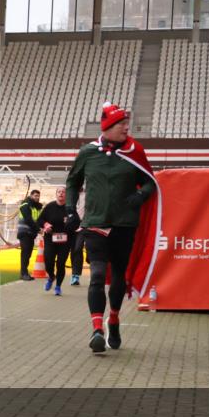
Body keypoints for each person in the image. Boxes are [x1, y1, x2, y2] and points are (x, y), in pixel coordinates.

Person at [66, 102, 160, 353]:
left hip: (124, 225)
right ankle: (97, 329)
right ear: (107, 127)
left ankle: (114, 318)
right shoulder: (87, 152)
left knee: (118, 277)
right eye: (121, 124)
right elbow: (72, 182)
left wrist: (140, 197)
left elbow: (150, 182)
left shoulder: (134, 151)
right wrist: (70, 209)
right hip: (95, 224)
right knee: (96, 276)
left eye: (126, 123)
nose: (126, 127)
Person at [36, 186, 78, 296]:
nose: (61, 194)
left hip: (65, 240)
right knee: (48, 261)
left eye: (63, 192)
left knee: (60, 263)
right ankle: (51, 276)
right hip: (51, 238)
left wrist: (69, 223)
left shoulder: (70, 208)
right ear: (56, 194)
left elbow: (77, 222)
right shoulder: (50, 206)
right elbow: (39, 220)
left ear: (66, 195)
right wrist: (46, 225)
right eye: (59, 192)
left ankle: (58, 286)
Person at [17, 189, 42, 280]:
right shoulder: (25, 205)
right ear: (31, 196)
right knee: (25, 253)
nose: (37, 197)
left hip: (31, 233)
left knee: (28, 253)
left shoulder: (36, 207)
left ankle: (24, 273)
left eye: (38, 196)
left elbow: (38, 220)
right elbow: (28, 219)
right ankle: (23, 273)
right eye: (35, 195)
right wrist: (39, 229)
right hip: (24, 232)